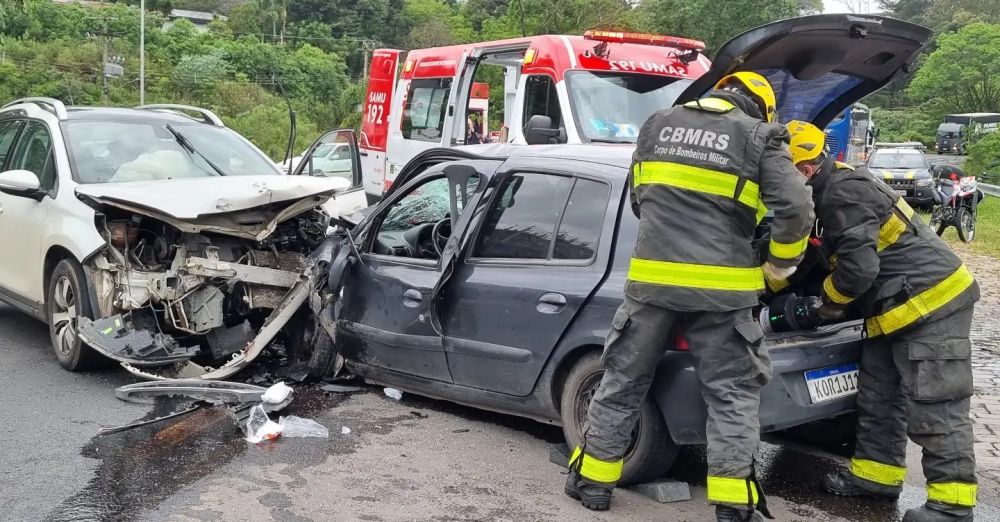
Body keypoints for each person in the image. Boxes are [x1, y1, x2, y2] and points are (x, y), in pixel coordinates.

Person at [564, 71, 815, 522]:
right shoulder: (758, 136)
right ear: (758, 106)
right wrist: (779, 265)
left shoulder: (657, 124)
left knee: (621, 381)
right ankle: (733, 504)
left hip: (651, 286)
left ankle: (594, 484)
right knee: (731, 395)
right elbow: (796, 208)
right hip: (723, 294)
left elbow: (640, 199)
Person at [785, 120, 980, 522]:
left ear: (803, 170)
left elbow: (857, 271)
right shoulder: (826, 190)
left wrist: (825, 306)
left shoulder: (842, 193)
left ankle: (953, 507)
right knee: (879, 395)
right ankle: (876, 478)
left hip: (929, 303)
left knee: (935, 403)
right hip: (892, 308)